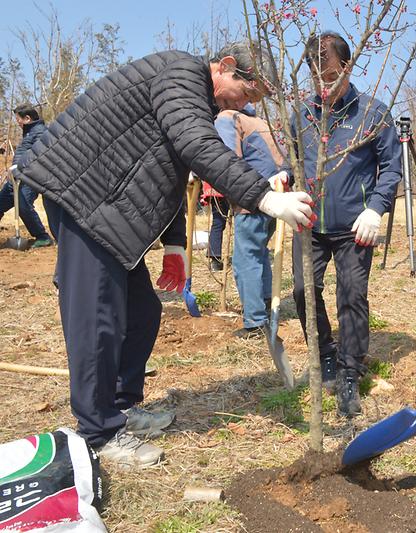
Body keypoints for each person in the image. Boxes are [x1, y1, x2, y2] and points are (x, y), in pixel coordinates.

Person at [15, 42, 313, 468]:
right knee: (97, 316)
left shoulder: (191, 95)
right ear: (226, 67)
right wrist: (263, 197)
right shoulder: (181, 73)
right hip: (84, 196)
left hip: (110, 208)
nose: (246, 106)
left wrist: (175, 242)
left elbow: (167, 168)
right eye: (247, 93)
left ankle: (120, 407)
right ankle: (98, 433)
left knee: (142, 313)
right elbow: (194, 146)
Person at [292, 32, 402, 417]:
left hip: (356, 225)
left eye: (332, 74)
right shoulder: (303, 115)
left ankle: (350, 370)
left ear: (348, 67)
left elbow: (391, 168)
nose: (325, 83)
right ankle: (324, 354)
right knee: (304, 290)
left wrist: (375, 208)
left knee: (352, 295)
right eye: (317, 76)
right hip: (310, 222)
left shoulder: (372, 113)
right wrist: (282, 182)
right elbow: (292, 161)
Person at [214, 104, 287, 339]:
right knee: (259, 253)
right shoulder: (260, 121)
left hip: (252, 198)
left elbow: (227, 160)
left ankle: (255, 322)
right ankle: (264, 302)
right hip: (276, 195)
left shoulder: (227, 117)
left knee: (245, 259)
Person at [0, 103, 53, 247]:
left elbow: (40, 154)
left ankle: (43, 237)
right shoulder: (29, 132)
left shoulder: (41, 131)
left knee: (24, 206)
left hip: (30, 178)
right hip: (15, 179)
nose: (17, 123)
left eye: (18, 120)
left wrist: (21, 165)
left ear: (27, 118)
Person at [201, 181, 230, 272]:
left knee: (218, 223)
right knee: (219, 223)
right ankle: (215, 260)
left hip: (215, 187)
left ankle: (215, 260)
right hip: (225, 186)